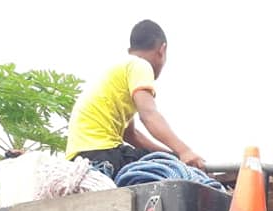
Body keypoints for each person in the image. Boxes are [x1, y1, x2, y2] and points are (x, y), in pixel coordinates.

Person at [65, 20, 206, 178]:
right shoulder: (140, 65)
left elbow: (131, 135)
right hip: (103, 154)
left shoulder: (119, 71)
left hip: (80, 159)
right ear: (162, 50)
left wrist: (172, 155)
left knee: (167, 161)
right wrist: (184, 151)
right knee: (174, 173)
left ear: (130, 50)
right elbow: (149, 115)